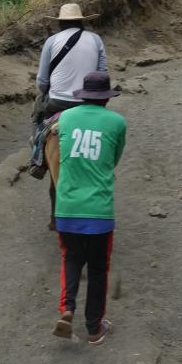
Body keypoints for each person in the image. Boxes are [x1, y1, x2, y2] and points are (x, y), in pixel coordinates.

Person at [50, 71, 126, 346]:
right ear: (107, 98)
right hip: (99, 210)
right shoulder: (117, 122)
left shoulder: (66, 117)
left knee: (70, 258)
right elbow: (114, 158)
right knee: (97, 268)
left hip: (67, 207)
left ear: (83, 95)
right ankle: (94, 327)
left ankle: (66, 309)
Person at [31, 3, 108, 226]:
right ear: (82, 21)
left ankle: (37, 159)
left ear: (60, 22)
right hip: (89, 101)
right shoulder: (95, 40)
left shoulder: (51, 41)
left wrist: (45, 91)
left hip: (58, 103)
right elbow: (102, 73)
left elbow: (42, 80)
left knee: (38, 119)